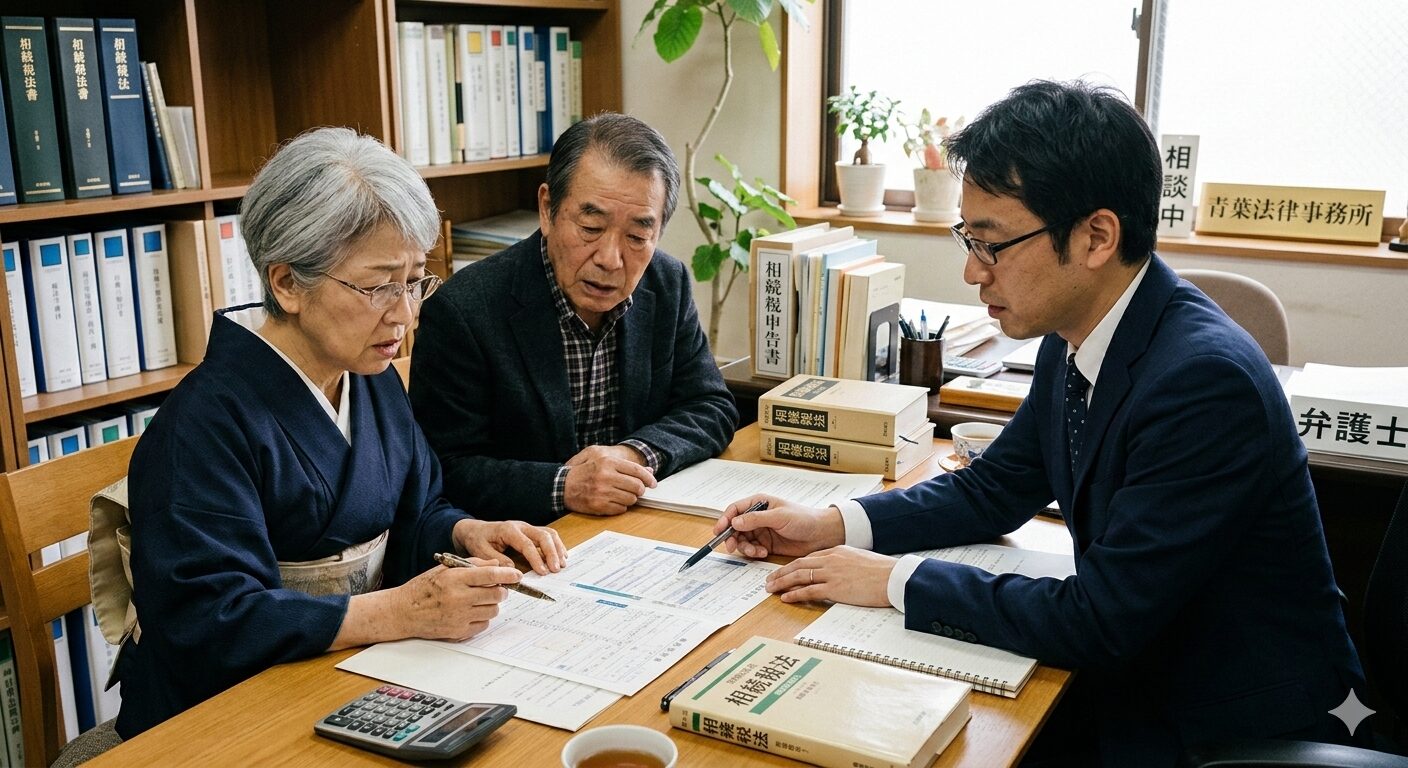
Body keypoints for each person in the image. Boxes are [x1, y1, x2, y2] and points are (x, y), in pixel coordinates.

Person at [715, 81, 1364, 765]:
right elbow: (994, 488)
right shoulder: (1080, 328)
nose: (972, 271)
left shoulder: (1204, 383)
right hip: (1143, 679)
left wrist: (891, 580)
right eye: (969, 239)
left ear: (1096, 237)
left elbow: (1102, 619)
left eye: (991, 244)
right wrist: (832, 525)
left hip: (1223, 726)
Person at [116, 128, 567, 739]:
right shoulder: (200, 426)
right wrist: (395, 611)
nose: (404, 314)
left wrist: (467, 532)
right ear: (286, 284)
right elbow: (212, 621)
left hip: (345, 674)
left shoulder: (366, 373)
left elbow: (413, 509)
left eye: (412, 281)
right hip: (221, 716)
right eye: (377, 285)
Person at [410, 113, 738, 525]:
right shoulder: (465, 310)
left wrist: (634, 454)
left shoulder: (666, 283)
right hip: (524, 545)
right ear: (547, 209)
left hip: (635, 526)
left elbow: (710, 405)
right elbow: (442, 468)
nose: (610, 259)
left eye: (637, 236)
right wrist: (564, 484)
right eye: (591, 226)